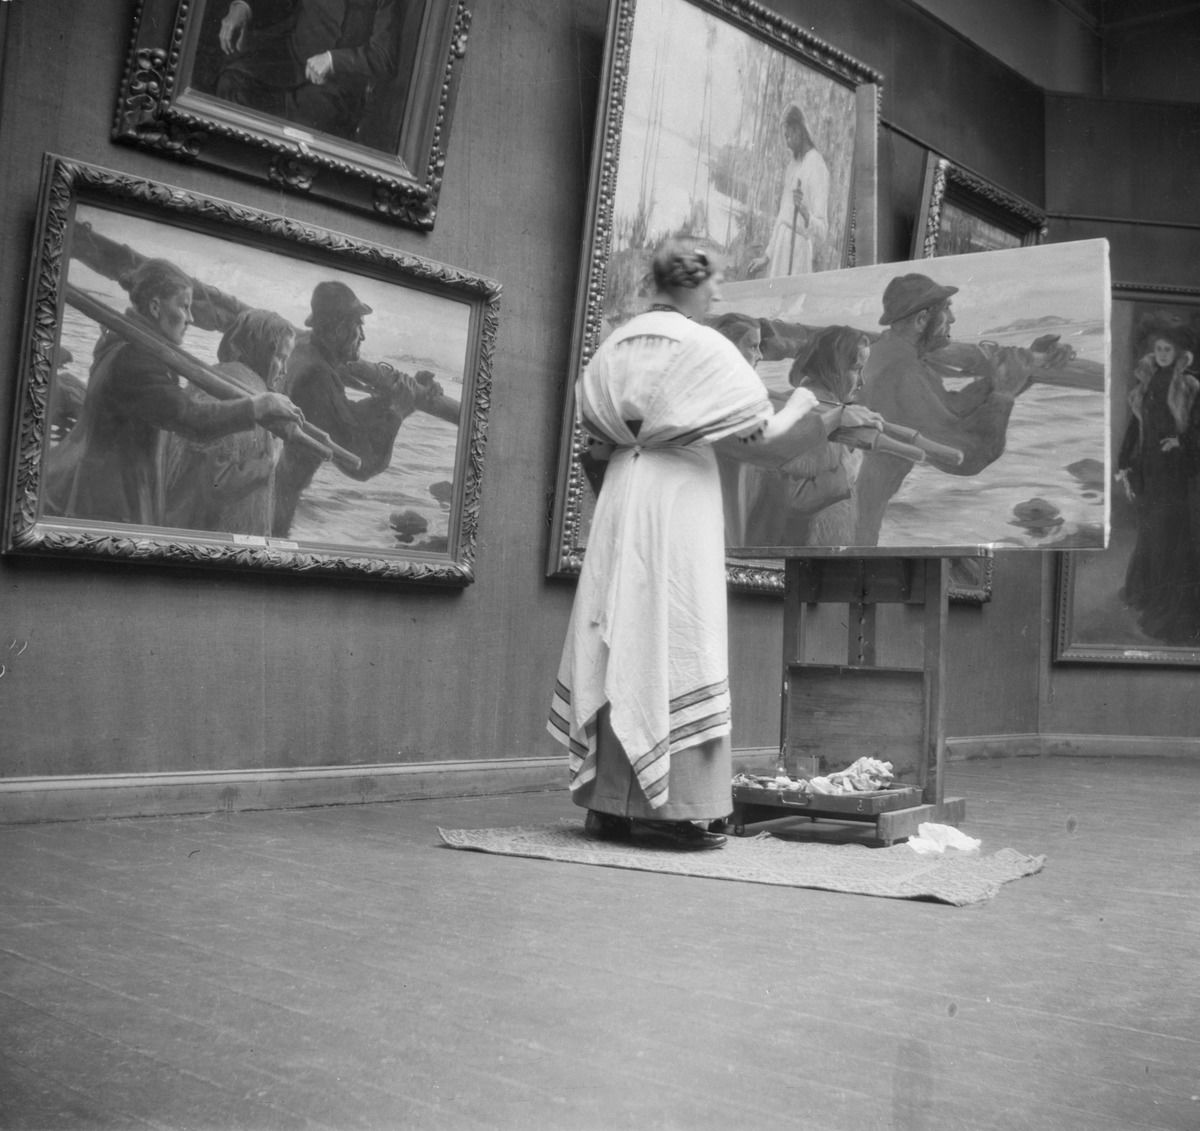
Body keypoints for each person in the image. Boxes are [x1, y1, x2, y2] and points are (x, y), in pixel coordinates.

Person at [547, 240, 881, 850]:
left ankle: (610, 804)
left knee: (623, 628)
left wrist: (623, 503)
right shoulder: (703, 347)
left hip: (624, 493)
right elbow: (767, 443)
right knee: (674, 633)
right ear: (693, 286)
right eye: (715, 285)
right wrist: (814, 407)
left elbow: (595, 449)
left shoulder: (614, 346)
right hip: (677, 500)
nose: (719, 296)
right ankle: (668, 809)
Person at [43, 259, 304, 527]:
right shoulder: (135, 359)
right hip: (108, 506)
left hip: (99, 491)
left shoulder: (122, 343)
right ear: (156, 307)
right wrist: (257, 407)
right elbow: (190, 419)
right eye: (184, 306)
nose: (191, 318)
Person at [852, 272, 1045, 545]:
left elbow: (949, 408)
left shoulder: (889, 354)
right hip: (852, 525)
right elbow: (965, 456)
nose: (952, 320)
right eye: (946, 311)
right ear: (921, 320)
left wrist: (1016, 375)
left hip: (855, 510)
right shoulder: (901, 372)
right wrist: (1003, 395)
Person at [271, 279, 443, 537]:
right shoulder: (317, 375)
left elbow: (344, 414)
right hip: (276, 500)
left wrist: (399, 397)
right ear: (339, 330)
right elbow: (361, 464)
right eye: (358, 326)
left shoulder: (308, 351)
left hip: (275, 487)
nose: (362, 336)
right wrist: (398, 412)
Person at [163, 309, 297, 535]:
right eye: (280, 358)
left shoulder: (221, 377)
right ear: (263, 351)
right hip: (205, 539)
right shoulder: (239, 392)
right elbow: (218, 481)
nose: (284, 370)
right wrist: (269, 461)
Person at [742, 325, 874, 547]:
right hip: (803, 554)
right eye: (855, 369)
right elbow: (791, 498)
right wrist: (847, 472)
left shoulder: (816, 406)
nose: (861, 382)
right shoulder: (810, 412)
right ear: (833, 368)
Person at [1115, 325, 1200, 643]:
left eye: (1168, 350)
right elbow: (1135, 428)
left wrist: (1179, 442)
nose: (1163, 355)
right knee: (1150, 528)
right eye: (1159, 350)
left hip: (1175, 469)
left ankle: (1170, 602)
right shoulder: (1146, 384)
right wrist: (1123, 461)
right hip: (1149, 468)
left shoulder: (1190, 385)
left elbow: (1197, 429)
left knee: (1170, 532)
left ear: (1178, 353)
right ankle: (1148, 593)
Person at [214, 0, 405, 141]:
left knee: (302, 129)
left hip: (337, 86)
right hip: (291, 61)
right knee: (232, 82)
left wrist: (333, 60)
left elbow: (384, 57)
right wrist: (244, 7)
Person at [750, 102, 830, 277]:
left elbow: (823, 231)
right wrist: (767, 256)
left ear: (799, 130)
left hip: (798, 253)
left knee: (792, 302)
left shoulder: (817, 166)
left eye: (788, 136)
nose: (786, 143)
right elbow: (782, 217)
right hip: (781, 250)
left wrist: (806, 214)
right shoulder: (792, 166)